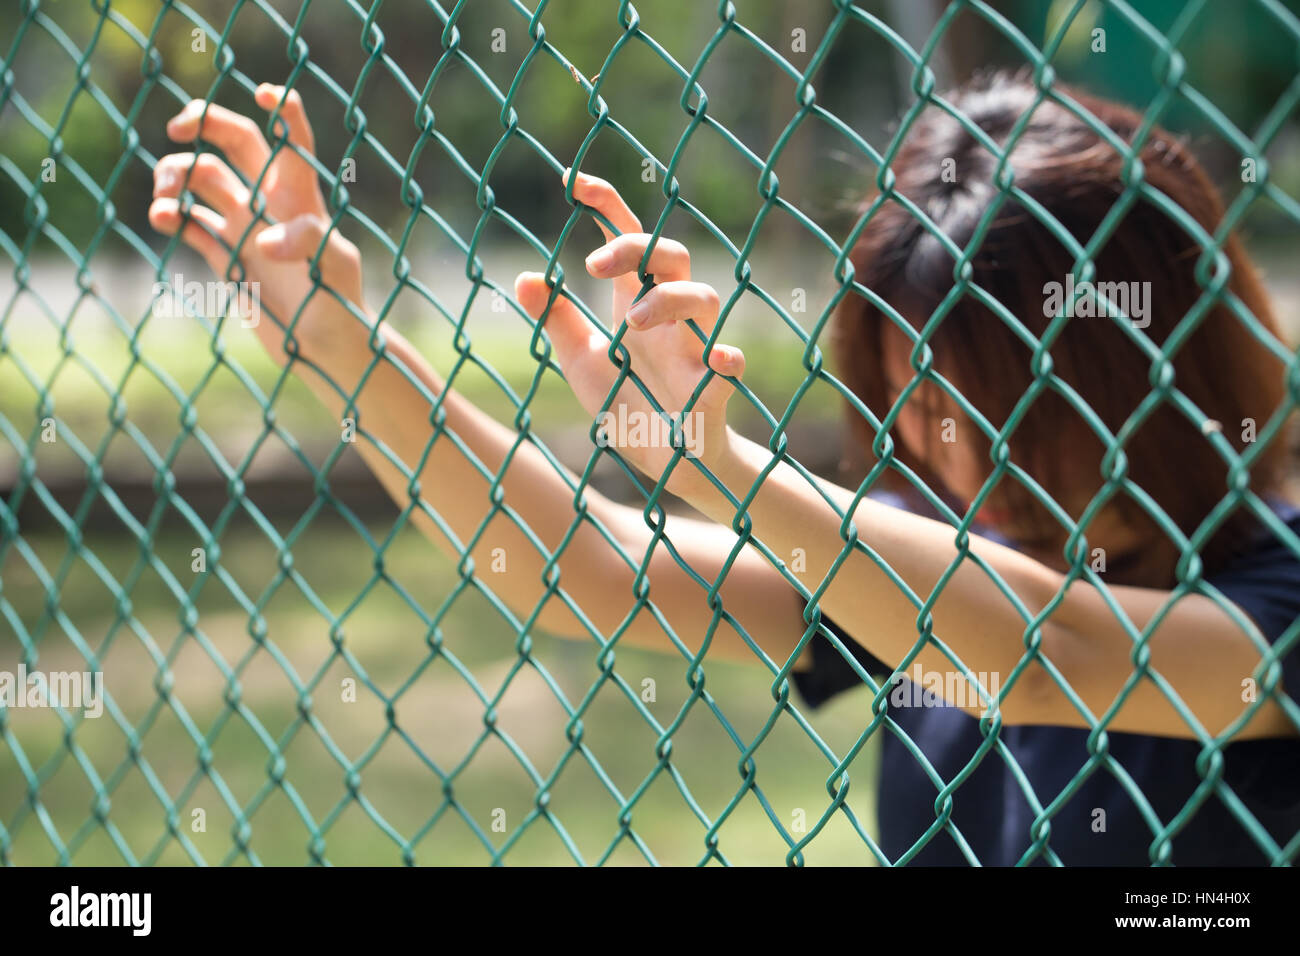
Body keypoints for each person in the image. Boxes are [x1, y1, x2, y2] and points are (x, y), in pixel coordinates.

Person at [148, 70, 1300, 865]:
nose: (950, 446)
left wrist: (723, 465)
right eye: (917, 394)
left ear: (1148, 361)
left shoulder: (1274, 580)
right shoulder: (940, 559)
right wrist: (346, 352)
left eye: (997, 400)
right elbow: (587, 565)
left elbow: (1053, 653)